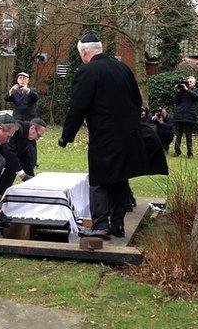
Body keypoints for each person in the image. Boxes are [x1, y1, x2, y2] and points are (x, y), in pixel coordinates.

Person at [58, 32, 150, 239]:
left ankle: (100, 226)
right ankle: (118, 225)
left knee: (99, 180)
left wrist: (67, 136)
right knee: (119, 178)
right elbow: (137, 101)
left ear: (83, 51)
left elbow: (77, 107)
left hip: (105, 136)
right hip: (128, 135)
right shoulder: (123, 68)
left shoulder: (88, 71)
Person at [0, 118, 48, 194]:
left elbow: (24, 158)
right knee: (2, 162)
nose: (37, 139)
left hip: (5, 154)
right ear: (32, 128)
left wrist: (32, 180)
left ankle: (0, 193)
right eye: (38, 135)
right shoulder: (16, 130)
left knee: (13, 167)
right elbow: (9, 152)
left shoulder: (25, 135)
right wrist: (22, 174)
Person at [172, 76, 198, 158]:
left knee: (189, 137)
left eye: (191, 82)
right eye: (188, 81)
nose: (189, 83)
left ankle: (190, 153)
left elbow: (196, 97)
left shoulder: (196, 91)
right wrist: (178, 91)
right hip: (179, 116)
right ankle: (177, 151)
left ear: (194, 83)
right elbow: (176, 102)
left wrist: (187, 90)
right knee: (178, 136)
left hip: (190, 117)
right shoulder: (181, 91)